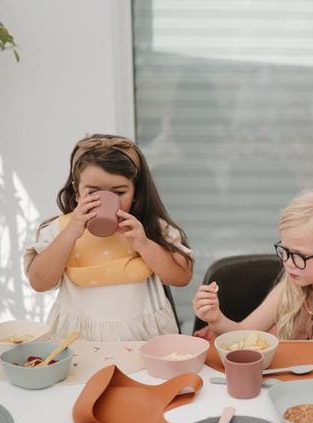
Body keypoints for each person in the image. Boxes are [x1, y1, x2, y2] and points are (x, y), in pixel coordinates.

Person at [24, 134, 193, 341]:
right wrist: (70, 233)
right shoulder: (61, 229)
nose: (105, 200)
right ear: (77, 191)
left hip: (143, 340)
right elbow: (39, 283)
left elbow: (181, 277)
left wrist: (145, 244)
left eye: (119, 192)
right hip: (78, 340)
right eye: (92, 192)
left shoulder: (149, 228)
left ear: (136, 192)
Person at [193, 190, 313, 339]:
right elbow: (244, 335)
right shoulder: (288, 290)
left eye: (300, 256)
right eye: (285, 251)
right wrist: (216, 318)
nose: (288, 263)